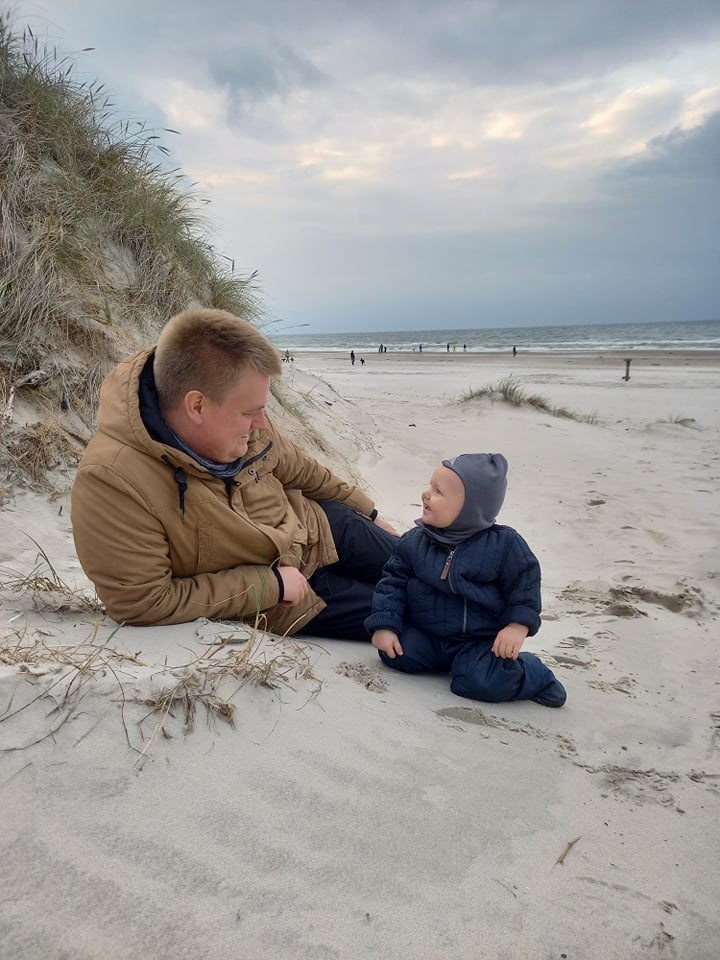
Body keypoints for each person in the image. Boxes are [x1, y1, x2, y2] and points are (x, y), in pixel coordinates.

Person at [71, 308, 398, 640]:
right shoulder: (112, 480)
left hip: (319, 526)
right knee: (424, 616)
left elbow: (301, 468)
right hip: (292, 595)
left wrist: (368, 511)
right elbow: (143, 602)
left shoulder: (245, 418)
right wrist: (269, 586)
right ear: (197, 406)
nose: (260, 424)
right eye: (250, 412)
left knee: (429, 568)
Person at [365, 453, 566, 707]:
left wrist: (517, 627)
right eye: (429, 485)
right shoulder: (415, 541)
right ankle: (448, 663)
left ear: (470, 508)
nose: (426, 494)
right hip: (428, 633)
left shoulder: (504, 545)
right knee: (397, 654)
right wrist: (385, 625)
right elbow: (392, 583)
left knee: (480, 683)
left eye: (438, 492)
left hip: (479, 641)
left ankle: (534, 674)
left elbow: (524, 585)